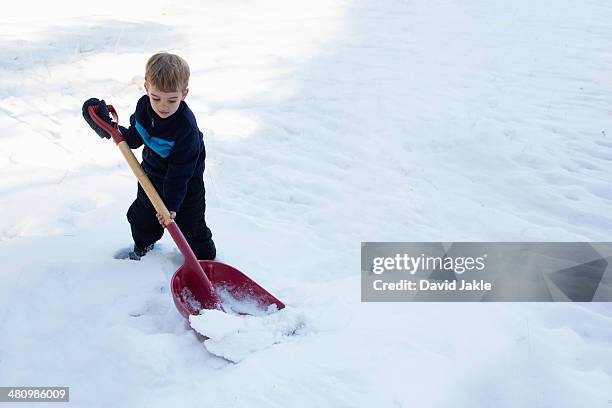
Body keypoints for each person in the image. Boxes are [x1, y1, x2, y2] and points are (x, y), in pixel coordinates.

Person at [82, 52, 216, 261]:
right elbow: (136, 137)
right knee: (142, 218)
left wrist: (170, 207)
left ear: (184, 93)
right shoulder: (144, 107)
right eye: (156, 98)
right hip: (151, 176)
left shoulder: (185, 129)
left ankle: (205, 262)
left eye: (172, 100)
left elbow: (180, 173)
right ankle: (143, 249)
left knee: (191, 227)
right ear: (147, 89)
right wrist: (112, 129)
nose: (163, 106)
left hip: (186, 185)